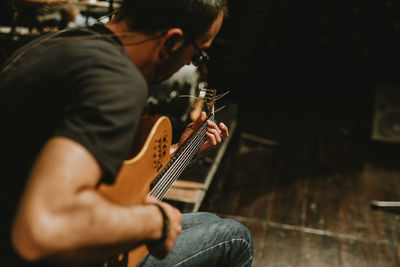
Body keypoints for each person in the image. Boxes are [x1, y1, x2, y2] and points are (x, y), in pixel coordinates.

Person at [0, 0, 254, 266]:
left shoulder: (61, 43)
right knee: (236, 239)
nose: (190, 63)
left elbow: (99, 183)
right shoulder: (116, 81)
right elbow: (43, 229)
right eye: (198, 54)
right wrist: (155, 222)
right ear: (172, 43)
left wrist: (179, 152)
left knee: (209, 222)